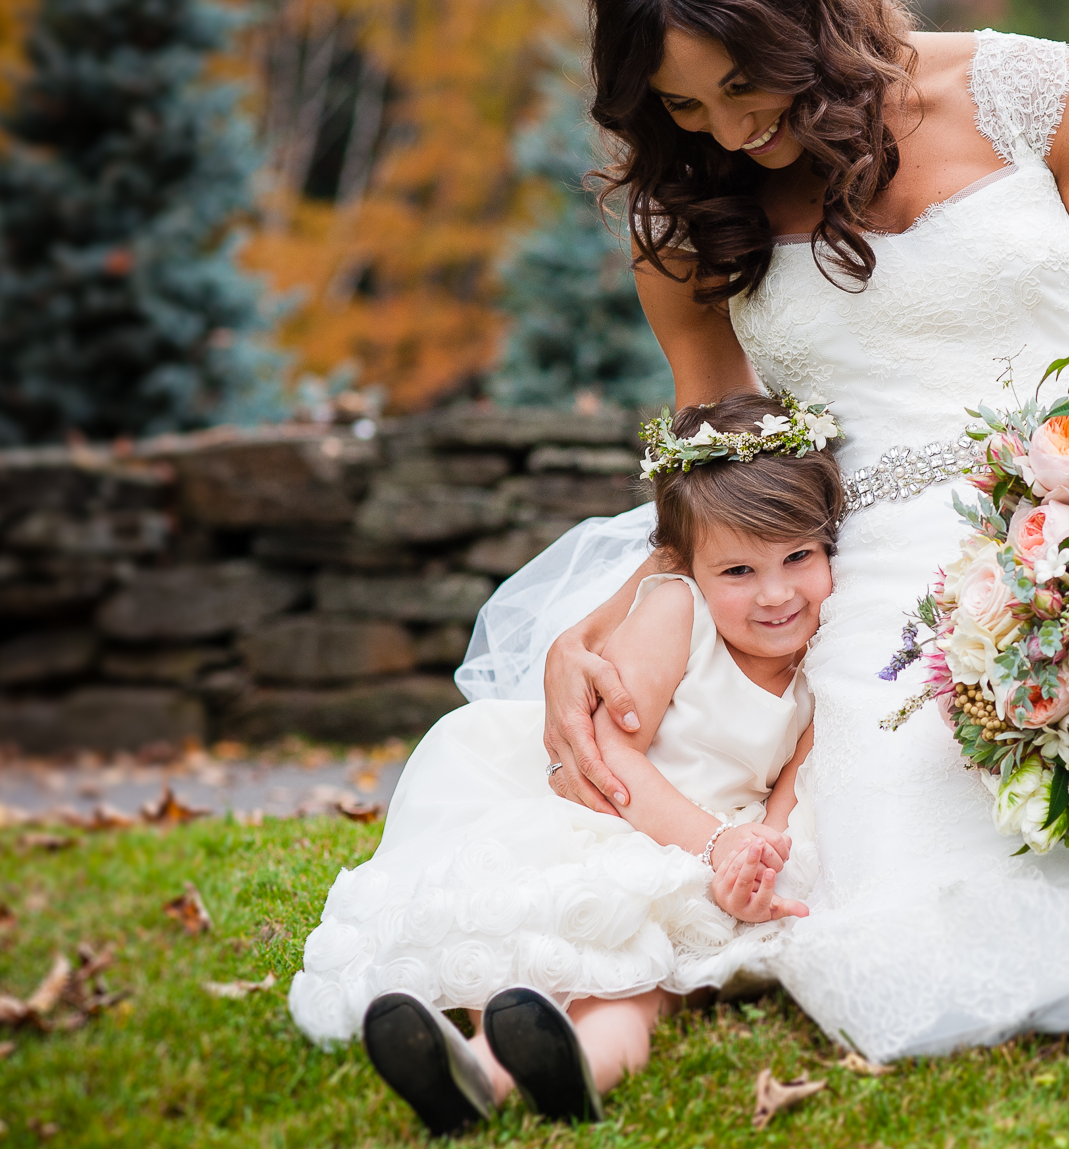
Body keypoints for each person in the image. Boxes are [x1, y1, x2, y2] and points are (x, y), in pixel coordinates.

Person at [459, 0, 1069, 1063]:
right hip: (868, 585)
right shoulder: (689, 220)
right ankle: (554, 1028)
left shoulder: (1031, 90)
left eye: (744, 83)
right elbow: (717, 472)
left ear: (808, 3)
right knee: (876, 839)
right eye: (686, 108)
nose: (733, 132)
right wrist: (611, 617)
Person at [288, 393, 841, 1137]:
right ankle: (482, 1059)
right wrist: (714, 843)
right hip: (608, 822)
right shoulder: (676, 612)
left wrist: (754, 871)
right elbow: (608, 755)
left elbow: (786, 803)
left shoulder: (825, 668)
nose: (776, 594)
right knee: (533, 950)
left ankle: (525, 1074)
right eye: (739, 569)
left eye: (799, 558)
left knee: (632, 994)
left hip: (705, 867)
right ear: (686, 562)